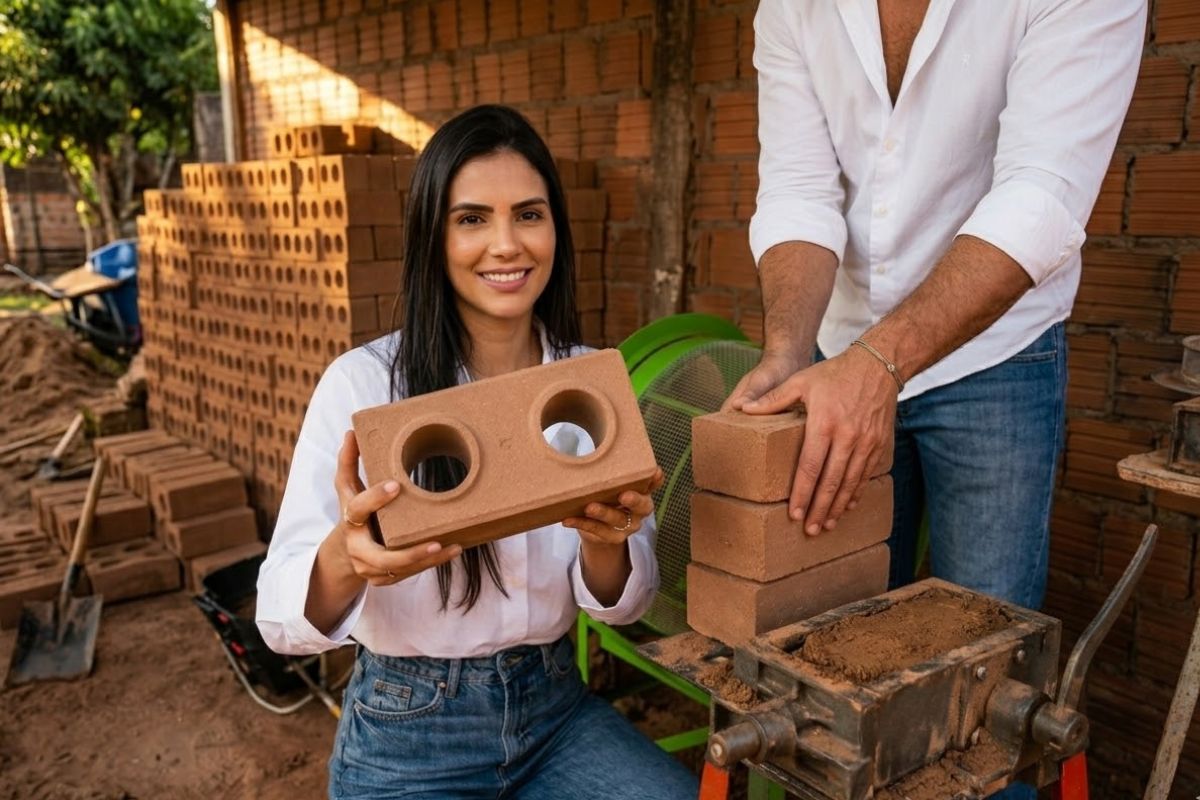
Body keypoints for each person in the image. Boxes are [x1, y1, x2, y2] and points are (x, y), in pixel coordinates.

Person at [256, 105, 698, 800]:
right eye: (471, 219)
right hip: (409, 728)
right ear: (432, 236)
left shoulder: (587, 385)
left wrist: (606, 542)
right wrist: (347, 556)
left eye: (529, 215)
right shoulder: (366, 386)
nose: (506, 245)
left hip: (555, 708)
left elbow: (622, 604)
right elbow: (277, 620)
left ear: (556, 228)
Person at [727, 3, 1143, 624]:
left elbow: (1041, 195)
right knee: (832, 624)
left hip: (995, 354)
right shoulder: (792, 7)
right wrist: (787, 352)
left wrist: (878, 363)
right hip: (837, 351)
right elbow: (799, 190)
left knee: (980, 634)